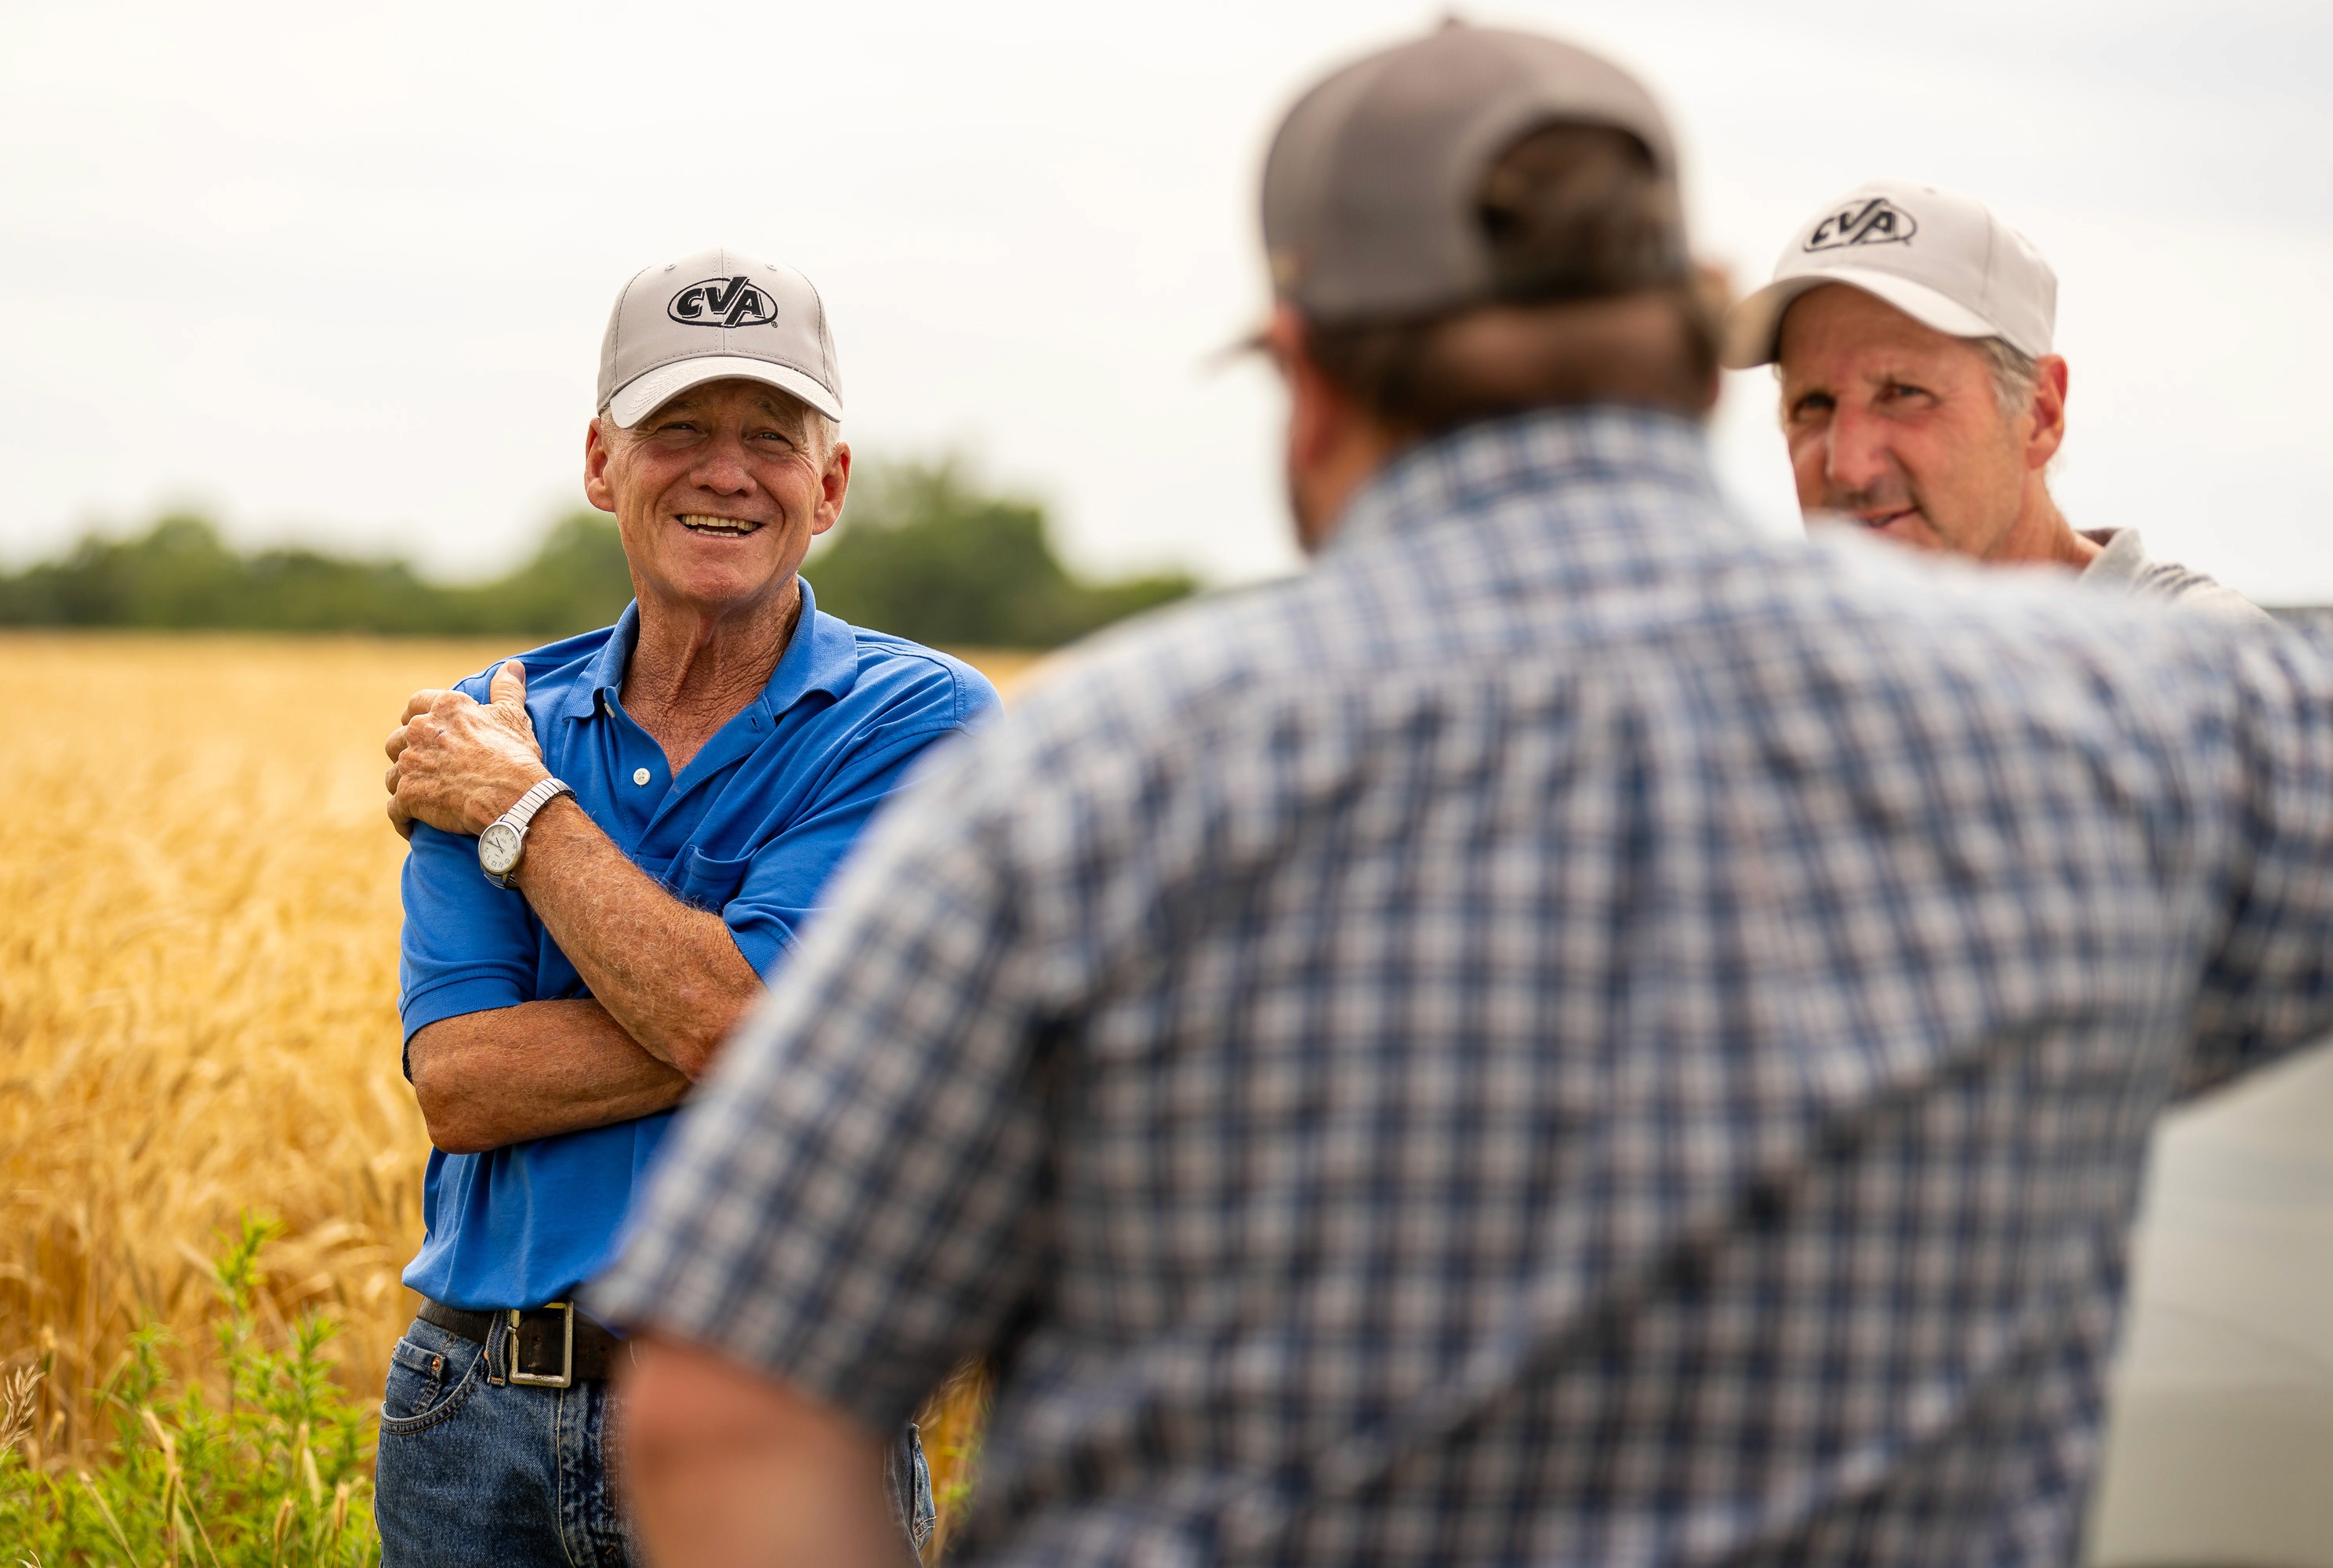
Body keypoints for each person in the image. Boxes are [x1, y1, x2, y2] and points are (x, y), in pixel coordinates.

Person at [590, 26, 2333, 1568]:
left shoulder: (1080, 786)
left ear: (1311, 369)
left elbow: (724, 1412)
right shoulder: (2144, 723)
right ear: (1679, 337)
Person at [374, 248, 994, 1566]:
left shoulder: (920, 721)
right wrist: (816, 1020)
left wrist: (524, 819)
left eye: (770, 436)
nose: (726, 471)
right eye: (678, 431)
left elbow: (731, 1023)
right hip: (475, 1413)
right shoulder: (492, 716)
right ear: (602, 463)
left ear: (828, 485)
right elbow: (466, 1081)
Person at [1723, 179, 2266, 622]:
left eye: (1904, 393)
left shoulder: (2218, 678)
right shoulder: (1780, 678)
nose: (1848, 467)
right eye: (1813, 404)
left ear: (2040, 415)